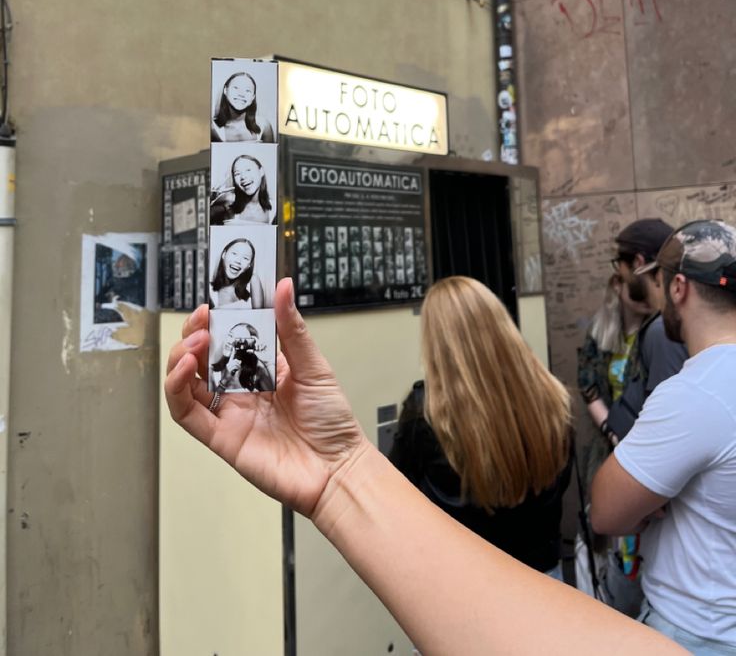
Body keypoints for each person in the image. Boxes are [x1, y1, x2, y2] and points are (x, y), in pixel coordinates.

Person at [164, 279, 682, 655]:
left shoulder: (425, 413)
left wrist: (341, 475)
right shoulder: (553, 399)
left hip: (450, 600)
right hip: (552, 589)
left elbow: (398, 502)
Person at [591, 220, 736, 654]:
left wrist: (657, 497)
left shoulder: (696, 392)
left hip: (701, 630)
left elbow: (605, 513)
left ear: (678, 288)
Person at [390, 276, 573, 578]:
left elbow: (396, 496)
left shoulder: (426, 413)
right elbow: (560, 480)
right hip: (544, 576)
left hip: (466, 583)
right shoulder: (553, 399)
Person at [577, 272, 651, 614]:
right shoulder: (602, 330)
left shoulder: (660, 332)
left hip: (648, 441)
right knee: (614, 527)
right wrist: (611, 430)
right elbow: (587, 383)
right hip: (612, 445)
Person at [604, 219, 686, 439]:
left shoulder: (663, 331)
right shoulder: (669, 321)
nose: (618, 273)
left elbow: (667, 426)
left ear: (638, 262)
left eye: (619, 263)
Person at [210, 154, 275, 225]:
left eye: (248, 170)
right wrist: (209, 199)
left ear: (261, 171)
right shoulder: (227, 205)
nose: (243, 177)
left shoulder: (274, 208)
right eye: (237, 173)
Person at [211, 71, 275, 143]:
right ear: (225, 90)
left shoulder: (264, 126)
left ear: (253, 97)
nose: (241, 94)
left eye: (247, 90)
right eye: (236, 88)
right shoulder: (213, 128)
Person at [209, 322, 274, 392]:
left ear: (249, 346)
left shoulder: (257, 373)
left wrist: (268, 362)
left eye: (239, 340)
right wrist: (225, 380)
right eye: (231, 335)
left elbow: (273, 396)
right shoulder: (211, 371)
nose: (231, 341)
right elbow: (210, 400)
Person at [209, 237, 269, 309]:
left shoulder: (253, 281)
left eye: (245, 258)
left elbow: (259, 317)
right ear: (224, 255)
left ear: (249, 265)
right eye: (234, 253)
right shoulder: (210, 290)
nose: (238, 261)